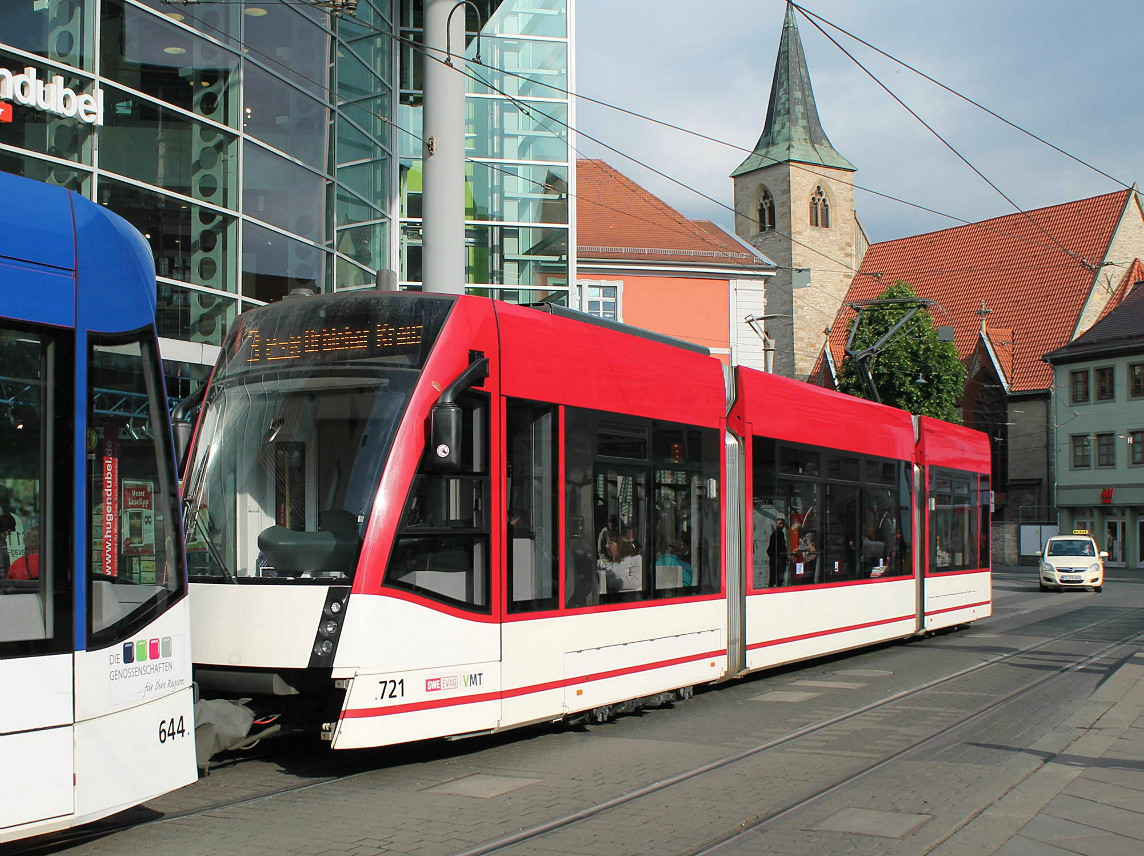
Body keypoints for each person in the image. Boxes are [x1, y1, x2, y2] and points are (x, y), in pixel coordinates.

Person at [767, 516, 788, 588]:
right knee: (775, 576)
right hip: (777, 559)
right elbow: (771, 548)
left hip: (779, 558)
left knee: (777, 576)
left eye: (782, 524)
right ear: (776, 524)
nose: (781, 525)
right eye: (779, 524)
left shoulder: (780, 534)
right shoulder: (775, 535)